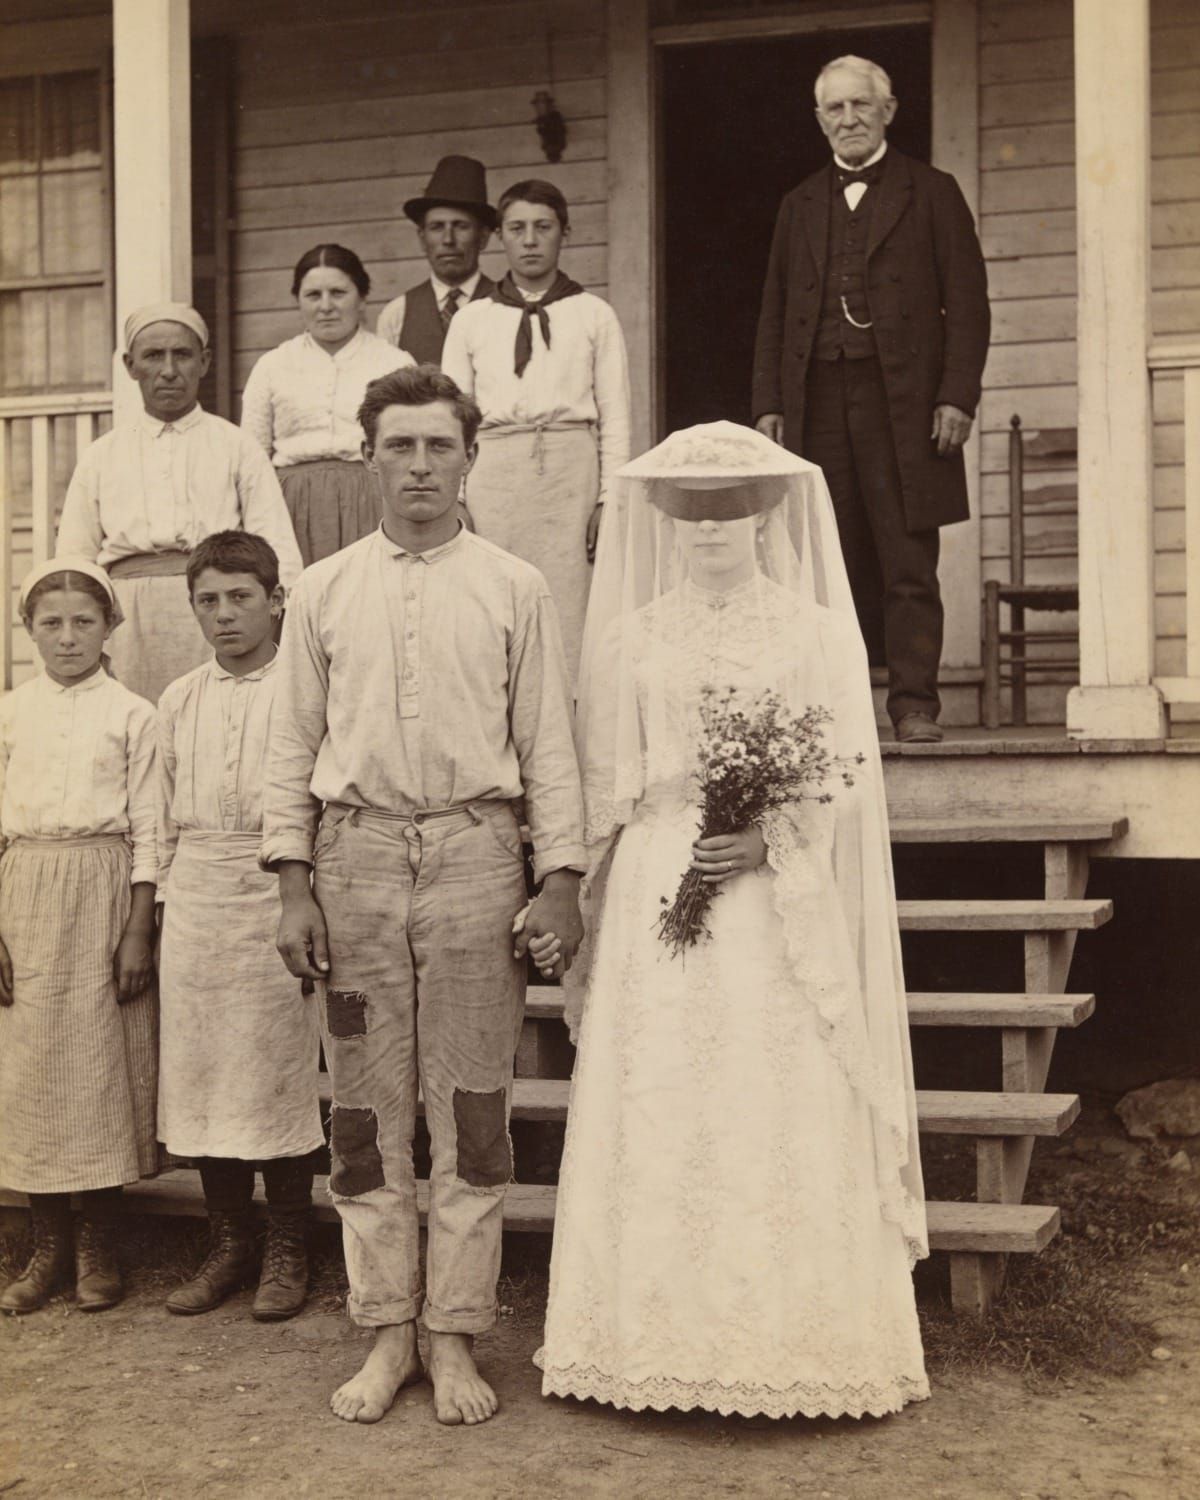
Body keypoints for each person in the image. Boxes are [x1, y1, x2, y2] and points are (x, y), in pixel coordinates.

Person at [534, 421, 929, 1418]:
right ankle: (644, 1343)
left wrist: (769, 838)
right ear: (664, 521)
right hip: (658, 878)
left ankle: (795, 1346)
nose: (710, 528)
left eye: (730, 510)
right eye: (691, 512)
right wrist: (588, 888)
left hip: (769, 889)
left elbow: (844, 775)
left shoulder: (813, 632)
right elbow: (603, 776)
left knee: (770, 1084)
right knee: (662, 1086)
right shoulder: (629, 636)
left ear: (765, 516)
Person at [260, 365, 585, 1427]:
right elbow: (291, 745)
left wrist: (561, 880)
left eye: (439, 446)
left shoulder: (514, 586)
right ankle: (385, 1330)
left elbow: (548, 743)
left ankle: (454, 1335)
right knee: (363, 1116)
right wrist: (293, 885)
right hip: (353, 865)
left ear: (469, 458)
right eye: (398, 446)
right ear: (368, 458)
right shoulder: (322, 590)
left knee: (473, 1113)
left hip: (475, 861)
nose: (418, 466)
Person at [752, 55, 990, 744]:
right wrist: (769, 403)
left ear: (888, 111)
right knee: (825, 556)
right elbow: (774, 311)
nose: (849, 119)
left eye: (861, 105)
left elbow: (968, 305)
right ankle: (834, 713)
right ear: (819, 119)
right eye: (836, 108)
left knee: (907, 557)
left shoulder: (933, 191)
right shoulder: (798, 204)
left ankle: (914, 705)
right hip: (818, 398)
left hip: (906, 402)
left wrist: (957, 396)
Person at [157, 532, 324, 1322]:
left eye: (240, 597)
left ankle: (290, 1243)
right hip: (196, 895)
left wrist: (308, 892)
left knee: (274, 1071)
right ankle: (228, 1243)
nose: (224, 615)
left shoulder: (305, 688)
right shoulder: (178, 698)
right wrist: (160, 908)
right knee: (204, 1072)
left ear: (276, 600)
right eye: (208, 601)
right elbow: (158, 815)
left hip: (275, 890)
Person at [0, 559, 157, 1315]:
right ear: (29, 630)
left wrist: (138, 927)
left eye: (83, 622)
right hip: (24, 893)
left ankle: (99, 1244)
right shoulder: (10, 713)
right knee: (34, 1072)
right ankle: (47, 1246)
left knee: (97, 1071)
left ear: (110, 627)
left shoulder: (134, 714)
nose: (68, 637)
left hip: (103, 890)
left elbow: (152, 829)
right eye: (51, 623)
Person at [56, 303, 303, 705]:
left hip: (216, 609)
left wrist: (277, 631)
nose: (169, 370)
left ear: (203, 362)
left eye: (182, 355)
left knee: (216, 717)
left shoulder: (236, 446)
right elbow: (74, 559)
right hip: (126, 620)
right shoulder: (102, 455)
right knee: (133, 725)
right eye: (154, 356)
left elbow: (277, 548)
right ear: (130, 365)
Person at [442, 178, 631, 685]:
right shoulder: (471, 321)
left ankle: (568, 719)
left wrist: (608, 499)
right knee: (494, 602)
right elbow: (453, 421)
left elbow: (615, 415)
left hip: (570, 478)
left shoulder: (594, 315)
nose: (530, 240)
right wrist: (457, 497)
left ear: (565, 233)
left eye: (543, 227)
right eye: (517, 228)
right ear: (499, 236)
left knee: (569, 608)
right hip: (494, 478)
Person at [241, 245, 415, 567]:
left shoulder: (394, 363)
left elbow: (412, 446)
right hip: (288, 509)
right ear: (298, 301)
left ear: (362, 298)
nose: (326, 307)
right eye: (313, 295)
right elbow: (252, 456)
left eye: (338, 293)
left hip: (372, 502)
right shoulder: (273, 365)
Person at [375, 156, 497, 365]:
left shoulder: (507, 306)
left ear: (483, 237)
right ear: (422, 239)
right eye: (437, 227)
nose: (448, 240)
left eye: (461, 226)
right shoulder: (397, 315)